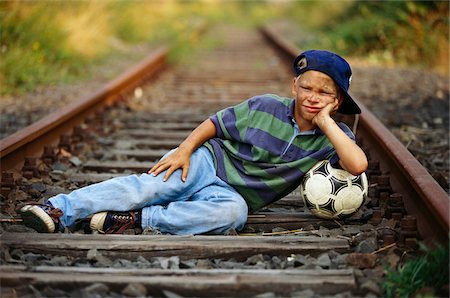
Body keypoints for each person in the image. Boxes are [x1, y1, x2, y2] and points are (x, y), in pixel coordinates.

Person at [20, 50, 368, 235]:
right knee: (147, 187)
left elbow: (356, 165)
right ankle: (58, 209)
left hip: (232, 194)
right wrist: (185, 150)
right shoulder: (265, 106)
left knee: (234, 215)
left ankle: (135, 221)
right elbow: (215, 124)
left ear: (338, 101)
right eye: (307, 88)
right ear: (294, 87)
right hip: (205, 162)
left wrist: (325, 122)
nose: (313, 97)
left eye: (325, 93)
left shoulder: (332, 139)